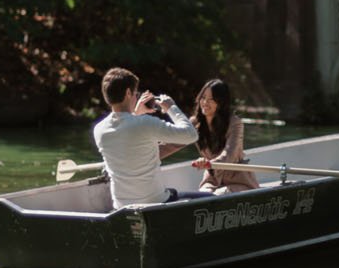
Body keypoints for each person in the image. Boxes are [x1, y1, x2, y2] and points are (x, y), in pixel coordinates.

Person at [92, 67, 197, 207]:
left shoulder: (99, 130)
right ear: (128, 93)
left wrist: (135, 114)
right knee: (211, 198)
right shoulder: (146, 123)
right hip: (157, 201)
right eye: (135, 93)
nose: (136, 97)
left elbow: (127, 135)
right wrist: (171, 107)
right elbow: (190, 135)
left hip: (121, 206)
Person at [190, 78, 258, 192]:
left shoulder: (235, 123)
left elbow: (229, 155)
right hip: (212, 180)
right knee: (202, 195)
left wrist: (208, 163)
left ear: (220, 102)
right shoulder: (194, 123)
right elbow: (175, 140)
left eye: (211, 99)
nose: (205, 102)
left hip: (238, 181)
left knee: (221, 194)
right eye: (203, 97)